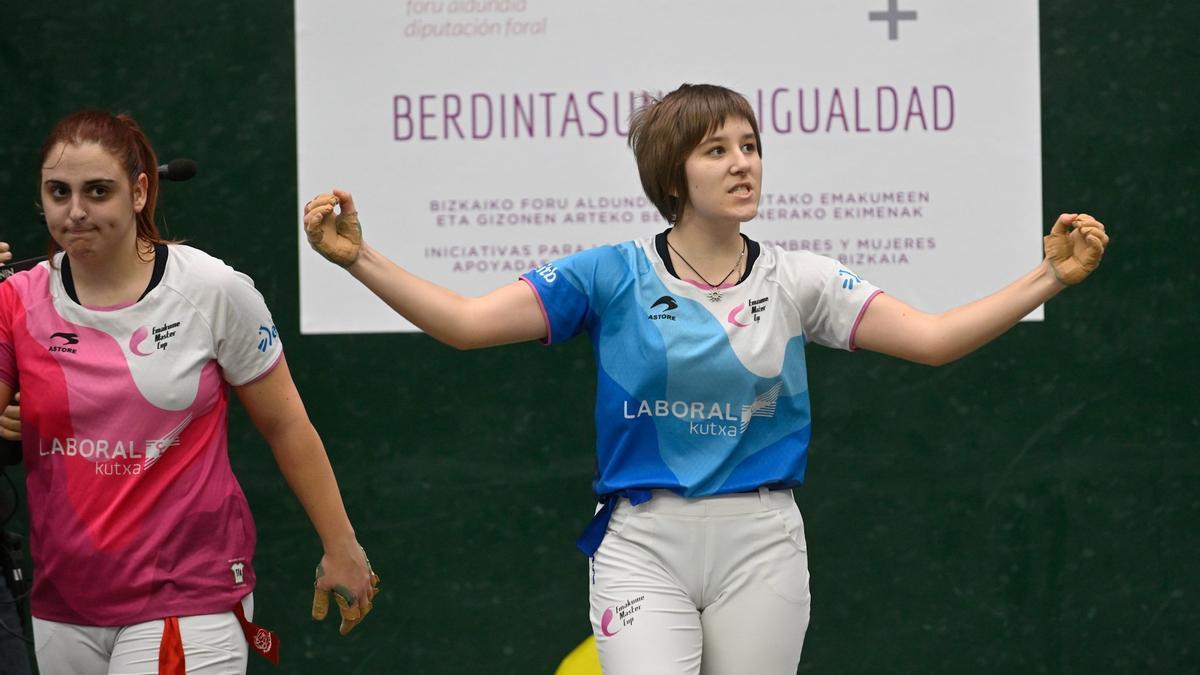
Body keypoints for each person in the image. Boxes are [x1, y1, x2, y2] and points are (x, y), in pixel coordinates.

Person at [302, 83, 1108, 674]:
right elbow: (468, 323)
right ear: (672, 175)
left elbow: (932, 340)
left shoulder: (801, 279)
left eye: (751, 146)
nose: (742, 163)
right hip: (642, 541)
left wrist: (1048, 278)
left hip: (763, 542)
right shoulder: (610, 274)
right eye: (717, 149)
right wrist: (359, 258)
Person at [0, 110, 380, 675]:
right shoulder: (16, 301)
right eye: (59, 192)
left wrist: (342, 545)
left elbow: (286, 425)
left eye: (97, 191)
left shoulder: (212, 290)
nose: (75, 212)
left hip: (187, 598)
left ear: (139, 191)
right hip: (63, 604)